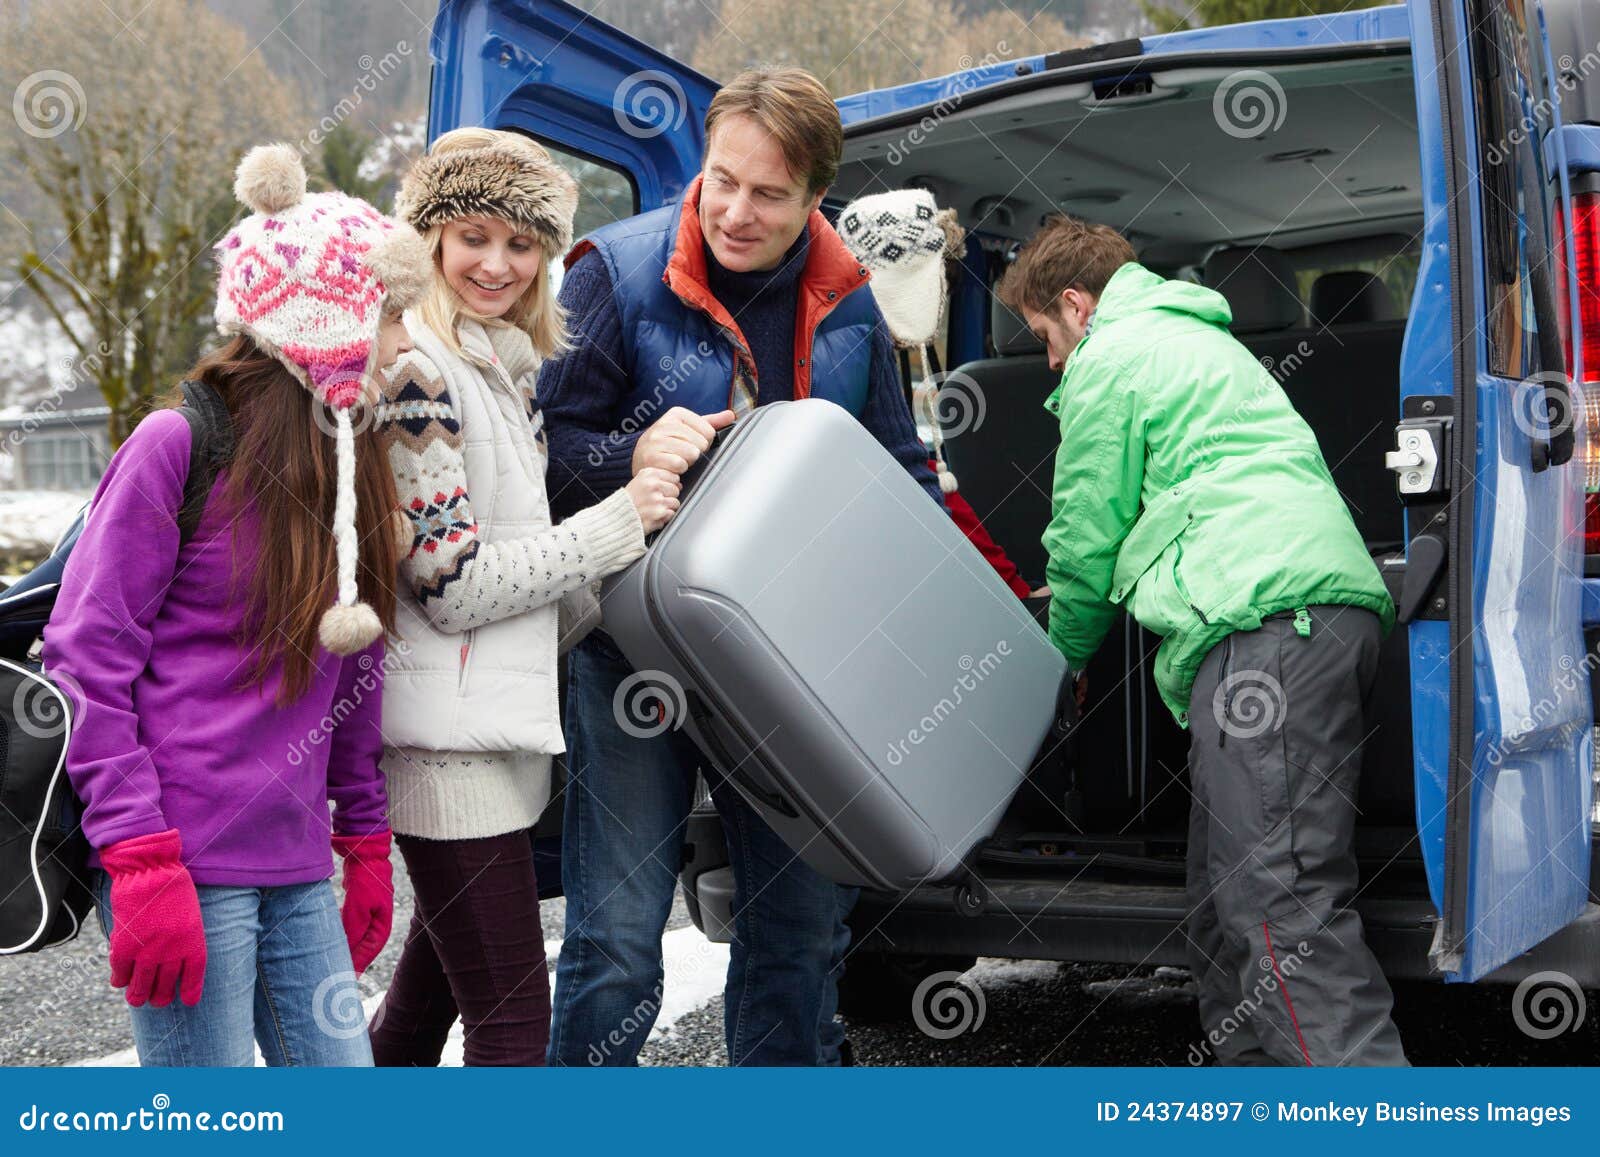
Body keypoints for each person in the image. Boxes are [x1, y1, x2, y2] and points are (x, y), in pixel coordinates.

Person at [540, 67, 945, 1067]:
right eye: (721, 180)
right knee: (616, 940)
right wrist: (628, 458)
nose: (734, 210)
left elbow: (897, 471)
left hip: (797, 663)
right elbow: (542, 457)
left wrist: (928, 615)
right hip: (637, 653)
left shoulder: (850, 302)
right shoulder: (613, 272)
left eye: (768, 194)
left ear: (815, 198)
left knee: (798, 936)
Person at [43, 144, 428, 1066]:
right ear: (329, 324)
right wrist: (137, 858)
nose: (406, 343)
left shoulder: (354, 460)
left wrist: (363, 832)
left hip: (294, 866)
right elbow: (86, 658)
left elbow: (354, 662)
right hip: (180, 860)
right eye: (391, 318)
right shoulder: (175, 444)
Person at [997, 214, 1407, 1066]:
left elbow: (1082, 533)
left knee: (1279, 905)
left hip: (1267, 624)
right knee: (1227, 897)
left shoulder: (1113, 355)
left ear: (1076, 304)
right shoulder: (1199, 344)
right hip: (1307, 619)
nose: (1049, 362)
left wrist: (1062, 660)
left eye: (1044, 336)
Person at [366, 128, 680, 1068]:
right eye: (473, 236)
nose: (496, 263)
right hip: (445, 750)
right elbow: (453, 585)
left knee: (417, 1020)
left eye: (522, 242)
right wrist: (619, 521)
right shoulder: (421, 374)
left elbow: (519, 579)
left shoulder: (500, 369)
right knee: (512, 1029)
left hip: (490, 738)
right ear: (429, 242)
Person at [834, 187, 1034, 600]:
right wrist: (1018, 592)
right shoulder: (854, 364)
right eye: (938, 282)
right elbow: (913, 474)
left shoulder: (853, 352)